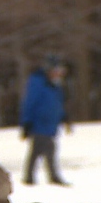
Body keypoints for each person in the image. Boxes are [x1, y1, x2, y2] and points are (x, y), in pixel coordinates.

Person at [20, 54, 71, 185]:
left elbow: (57, 104)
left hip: (50, 125)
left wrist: (63, 117)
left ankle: (33, 177)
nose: (58, 74)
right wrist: (26, 122)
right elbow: (30, 103)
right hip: (39, 124)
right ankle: (36, 177)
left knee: (43, 150)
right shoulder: (38, 83)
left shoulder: (56, 85)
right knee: (43, 150)